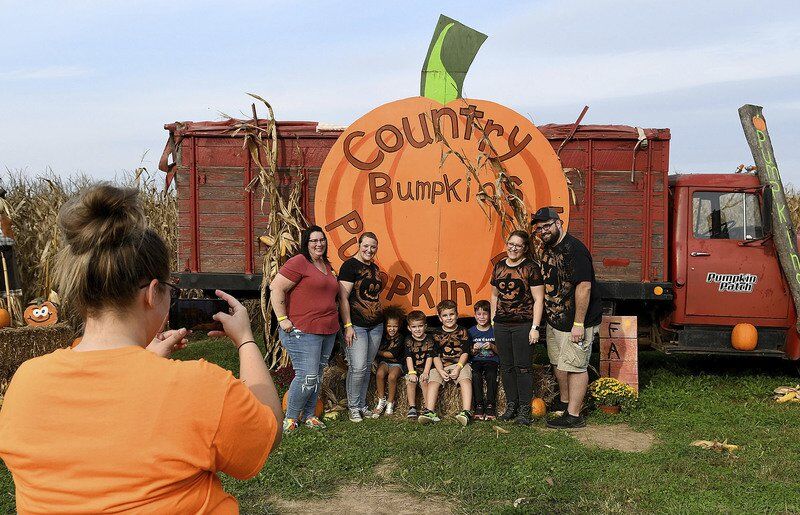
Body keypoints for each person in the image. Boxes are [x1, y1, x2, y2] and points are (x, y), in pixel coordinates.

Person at [0, 184, 281, 513]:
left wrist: (143, 364)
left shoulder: (25, 384)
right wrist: (246, 340)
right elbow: (267, 431)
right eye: (169, 289)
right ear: (151, 293)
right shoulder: (200, 388)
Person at [532, 207, 603, 429]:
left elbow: (584, 286)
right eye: (539, 228)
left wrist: (579, 323)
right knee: (559, 363)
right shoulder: (546, 248)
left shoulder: (575, 249)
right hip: (555, 321)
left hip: (575, 321)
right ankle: (564, 401)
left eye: (547, 226)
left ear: (559, 223)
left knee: (575, 366)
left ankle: (574, 415)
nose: (543, 231)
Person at [270, 225, 339, 433]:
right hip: (303, 330)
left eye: (322, 240)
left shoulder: (326, 264)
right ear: (306, 244)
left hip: (327, 330)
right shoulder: (299, 262)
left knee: (316, 375)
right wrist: (282, 318)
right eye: (314, 241)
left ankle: (310, 415)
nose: (319, 244)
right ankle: (291, 418)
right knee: (306, 376)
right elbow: (276, 287)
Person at [490, 230, 545, 426]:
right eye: (510, 244)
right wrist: (491, 321)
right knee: (506, 367)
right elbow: (495, 296)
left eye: (518, 245)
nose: (513, 248)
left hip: (523, 324)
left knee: (523, 367)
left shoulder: (531, 268)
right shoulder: (499, 267)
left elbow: (539, 299)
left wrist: (535, 327)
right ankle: (511, 405)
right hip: (502, 324)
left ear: (525, 248)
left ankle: (524, 408)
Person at [338, 232, 385, 422]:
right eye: (366, 246)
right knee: (357, 367)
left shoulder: (374, 268)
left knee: (366, 366)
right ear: (359, 245)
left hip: (375, 325)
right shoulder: (350, 266)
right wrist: (348, 325)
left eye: (373, 247)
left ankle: (362, 404)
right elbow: (343, 298)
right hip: (356, 324)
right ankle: (353, 406)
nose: (369, 250)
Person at [419, 300, 473, 427]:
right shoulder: (436, 333)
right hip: (441, 365)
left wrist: (458, 368)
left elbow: (465, 352)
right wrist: (441, 370)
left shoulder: (463, 331)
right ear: (439, 318)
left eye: (451, 314)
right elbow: (434, 354)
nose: (449, 318)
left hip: (459, 363)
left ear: (457, 314)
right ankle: (430, 411)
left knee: (465, 380)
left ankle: (466, 411)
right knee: (433, 381)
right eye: (445, 315)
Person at [373, 305, 406, 416]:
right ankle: (381, 399)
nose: (392, 329)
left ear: (399, 326)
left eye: (395, 326)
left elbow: (392, 354)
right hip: (385, 363)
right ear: (385, 326)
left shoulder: (400, 338)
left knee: (392, 376)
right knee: (379, 374)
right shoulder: (383, 336)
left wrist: (377, 352)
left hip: (397, 363)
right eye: (389, 326)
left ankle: (390, 402)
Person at [469, 300, 499, 420]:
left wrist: (492, 346)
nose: (482, 317)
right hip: (476, 360)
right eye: (479, 314)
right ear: (475, 315)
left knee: (491, 375)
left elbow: (501, 352)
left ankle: (490, 405)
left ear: (490, 315)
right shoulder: (471, 332)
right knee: (475, 376)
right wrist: (473, 349)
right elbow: (468, 353)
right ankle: (479, 406)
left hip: (492, 360)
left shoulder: (494, 330)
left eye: (485, 314)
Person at [403, 310, 434, 419]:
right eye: (414, 327)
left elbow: (430, 356)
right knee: (411, 381)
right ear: (409, 328)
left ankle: (427, 407)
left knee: (424, 381)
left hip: (426, 367)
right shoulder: (408, 340)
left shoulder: (429, 339)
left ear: (425, 326)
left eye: (420, 326)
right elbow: (408, 357)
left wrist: (426, 372)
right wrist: (411, 372)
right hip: (413, 367)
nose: (417, 329)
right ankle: (412, 407)